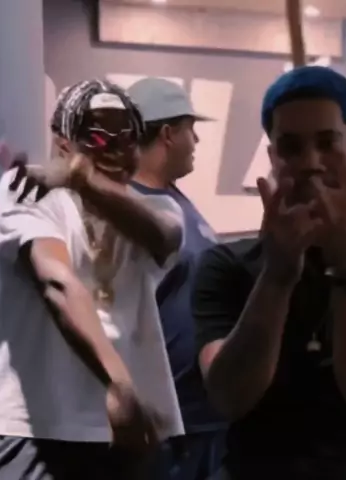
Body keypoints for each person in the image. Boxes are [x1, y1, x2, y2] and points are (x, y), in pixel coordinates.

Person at [190, 66, 346, 479]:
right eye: (291, 147)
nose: (310, 163)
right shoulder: (228, 265)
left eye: (327, 143)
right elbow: (229, 397)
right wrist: (277, 277)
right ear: (273, 159)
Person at [0, 79, 184, 479]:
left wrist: (80, 178)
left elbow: (165, 237)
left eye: (127, 136)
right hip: (40, 428)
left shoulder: (157, 209)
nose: (115, 147)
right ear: (64, 144)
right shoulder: (29, 189)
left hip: (127, 435)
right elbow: (57, 283)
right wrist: (119, 383)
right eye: (97, 134)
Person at [126, 77, 227, 480]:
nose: (196, 140)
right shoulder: (129, 210)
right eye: (191, 129)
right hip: (167, 429)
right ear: (168, 134)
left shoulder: (174, 197)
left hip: (204, 420)